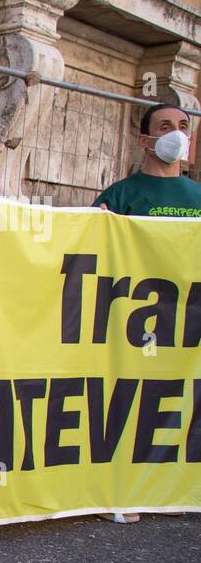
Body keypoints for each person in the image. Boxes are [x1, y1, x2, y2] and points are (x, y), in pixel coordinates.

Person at [92, 101, 198, 523]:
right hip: (134, 322)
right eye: (166, 126)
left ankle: (176, 486)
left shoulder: (198, 196)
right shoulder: (120, 195)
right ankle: (118, 491)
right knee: (129, 404)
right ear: (144, 139)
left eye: (184, 126)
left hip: (188, 324)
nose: (176, 133)